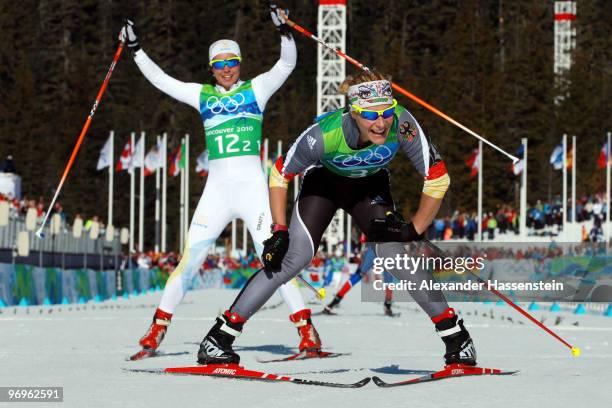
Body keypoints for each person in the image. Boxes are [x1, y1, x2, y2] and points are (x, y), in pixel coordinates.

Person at [196, 70, 477, 367]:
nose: (381, 123)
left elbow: (437, 177)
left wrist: (414, 229)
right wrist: (279, 230)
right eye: (369, 114)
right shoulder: (323, 134)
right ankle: (219, 338)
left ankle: (458, 340)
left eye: (386, 112)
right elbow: (280, 173)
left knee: (394, 255)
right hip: (324, 187)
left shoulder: (402, 123)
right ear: (353, 112)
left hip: (370, 188)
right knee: (293, 257)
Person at [120, 5, 324, 357]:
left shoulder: (256, 89)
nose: (227, 69)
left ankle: (307, 331)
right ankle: (156, 331)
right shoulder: (202, 95)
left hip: (252, 191)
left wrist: (284, 32)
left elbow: (287, 65)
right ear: (212, 68)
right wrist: (136, 49)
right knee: (190, 260)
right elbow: (161, 80)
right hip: (217, 192)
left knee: (276, 260)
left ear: (240, 64)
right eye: (220, 64)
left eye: (232, 62)